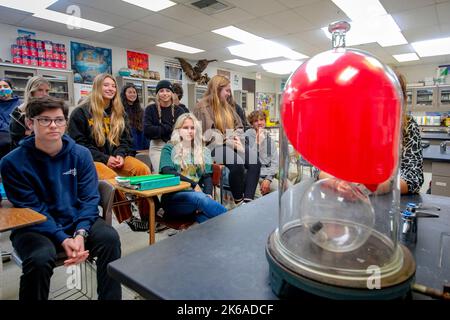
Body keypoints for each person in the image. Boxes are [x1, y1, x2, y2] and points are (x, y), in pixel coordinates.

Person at [0, 96, 121, 300]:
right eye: (45, 120)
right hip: (35, 226)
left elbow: (89, 199)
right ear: (30, 123)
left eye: (59, 120)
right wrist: (62, 238)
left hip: (75, 219)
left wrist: (80, 233)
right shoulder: (12, 163)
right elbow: (31, 208)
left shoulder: (80, 155)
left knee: (109, 238)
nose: (53, 125)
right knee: (39, 258)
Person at [68, 73, 151, 230]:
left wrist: (120, 154)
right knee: (112, 179)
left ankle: (149, 215)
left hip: (116, 157)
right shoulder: (80, 113)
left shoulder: (120, 112)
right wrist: (105, 158)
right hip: (91, 161)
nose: (110, 88)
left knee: (142, 169)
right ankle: (128, 217)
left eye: (113, 86)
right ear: (97, 87)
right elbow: (78, 145)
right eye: (106, 85)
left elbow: (126, 140)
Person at [317, 73, 424, 195]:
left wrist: (373, 188)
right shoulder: (349, 123)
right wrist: (337, 183)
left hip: (386, 203)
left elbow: (414, 178)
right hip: (344, 203)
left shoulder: (407, 125)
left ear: (401, 99)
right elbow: (321, 169)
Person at [193, 75, 261, 205]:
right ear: (217, 89)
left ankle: (248, 200)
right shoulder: (201, 107)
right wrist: (226, 140)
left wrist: (235, 137)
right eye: (227, 90)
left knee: (255, 162)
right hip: (213, 147)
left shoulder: (227, 106)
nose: (229, 94)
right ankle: (239, 201)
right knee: (237, 164)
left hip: (232, 142)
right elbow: (206, 134)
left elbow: (239, 125)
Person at [159, 113, 227, 222]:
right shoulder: (169, 148)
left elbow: (207, 176)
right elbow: (167, 171)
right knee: (200, 199)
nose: (190, 131)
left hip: (198, 200)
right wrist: (193, 184)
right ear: (178, 130)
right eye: (185, 128)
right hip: (173, 199)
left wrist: (208, 194)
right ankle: (234, 225)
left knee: (209, 222)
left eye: (193, 128)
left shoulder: (203, 151)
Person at [144, 80, 186, 172]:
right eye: (161, 91)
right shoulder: (150, 109)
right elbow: (147, 131)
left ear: (172, 93)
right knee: (163, 173)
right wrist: (168, 127)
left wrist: (159, 128)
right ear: (157, 94)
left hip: (176, 147)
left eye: (167, 91)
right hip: (157, 147)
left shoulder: (179, 111)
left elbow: (182, 132)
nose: (165, 93)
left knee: (179, 174)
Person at [9, 76, 50, 149]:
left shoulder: (49, 110)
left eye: (47, 91)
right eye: (40, 90)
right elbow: (18, 141)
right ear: (31, 92)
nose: (45, 94)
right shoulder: (18, 113)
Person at [245, 110, 279, 197]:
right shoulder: (246, 136)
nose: (259, 123)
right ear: (252, 124)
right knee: (259, 200)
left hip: (267, 175)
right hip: (251, 176)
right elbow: (249, 160)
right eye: (256, 121)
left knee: (286, 189)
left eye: (261, 120)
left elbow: (275, 162)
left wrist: (268, 179)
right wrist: (257, 142)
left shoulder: (269, 139)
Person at [120, 83, 149, 151]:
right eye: (129, 92)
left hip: (141, 145)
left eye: (134, 92)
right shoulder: (120, 110)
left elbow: (144, 129)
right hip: (127, 147)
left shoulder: (141, 111)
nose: (132, 94)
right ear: (124, 94)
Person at [0, 78, 21, 159]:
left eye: (5, 86)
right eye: (0, 87)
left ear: (11, 89)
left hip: (19, 138)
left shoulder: (20, 104)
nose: (2, 89)